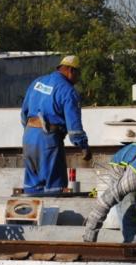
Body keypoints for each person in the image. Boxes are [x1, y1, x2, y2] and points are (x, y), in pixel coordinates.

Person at [20, 55, 91, 195]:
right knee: (54, 187)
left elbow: (24, 113)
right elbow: (74, 129)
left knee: (32, 188)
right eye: (78, 74)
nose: (78, 79)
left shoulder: (37, 82)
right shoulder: (68, 91)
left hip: (28, 137)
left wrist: (31, 131)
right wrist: (84, 147)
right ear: (71, 71)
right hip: (48, 141)